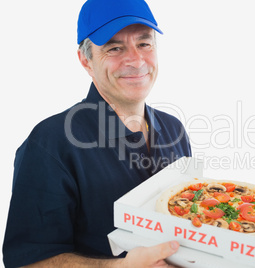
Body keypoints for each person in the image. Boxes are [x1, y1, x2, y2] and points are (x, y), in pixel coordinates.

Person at [2, 0, 191, 267]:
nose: (136, 61)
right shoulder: (50, 144)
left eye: (144, 43)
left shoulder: (174, 130)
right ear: (86, 60)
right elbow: (25, 261)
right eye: (114, 48)